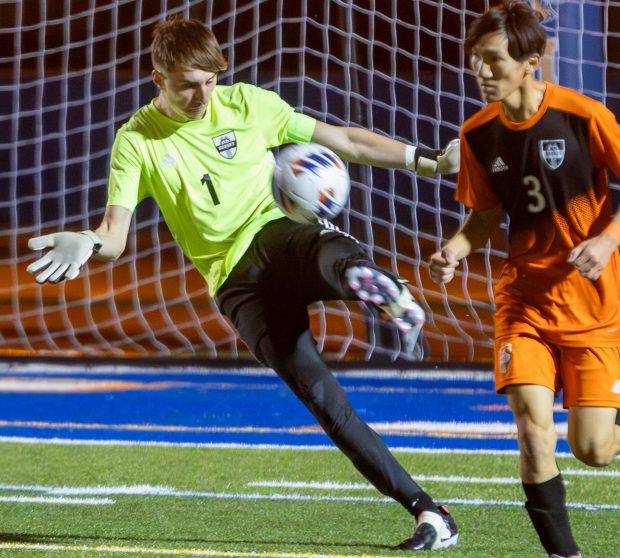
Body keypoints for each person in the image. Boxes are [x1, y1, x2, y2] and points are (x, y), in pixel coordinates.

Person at [26, 18, 460, 551]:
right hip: (234, 284)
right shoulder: (137, 139)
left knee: (313, 245)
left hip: (271, 231)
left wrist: (429, 161)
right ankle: (429, 513)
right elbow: (113, 235)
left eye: (211, 81)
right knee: (323, 399)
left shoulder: (248, 104)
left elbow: (344, 139)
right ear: (156, 76)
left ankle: (373, 284)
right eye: (189, 84)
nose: (203, 95)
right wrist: (87, 243)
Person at [428, 2, 620, 557]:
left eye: (492, 60)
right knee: (532, 427)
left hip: (592, 305)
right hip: (523, 305)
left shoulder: (584, 116)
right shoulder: (476, 134)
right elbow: (486, 217)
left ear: (531, 62)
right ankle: (564, 554)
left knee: (593, 451)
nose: (481, 72)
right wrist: (455, 250)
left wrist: (607, 240)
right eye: (474, 61)